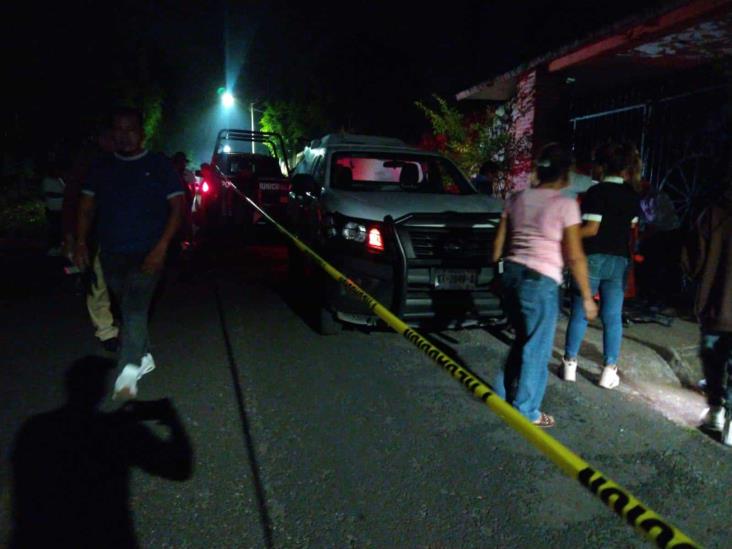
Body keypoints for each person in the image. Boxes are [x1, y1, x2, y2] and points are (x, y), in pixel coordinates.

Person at [74, 107, 185, 400]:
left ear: (142, 134)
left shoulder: (158, 165)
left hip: (148, 253)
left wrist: (162, 247)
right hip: (111, 253)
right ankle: (145, 354)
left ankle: (129, 371)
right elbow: (86, 206)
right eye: (118, 130)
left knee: (134, 309)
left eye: (130, 129)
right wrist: (80, 242)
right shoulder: (102, 167)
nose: (124, 136)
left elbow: (178, 207)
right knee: (127, 307)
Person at [492, 143, 597, 427]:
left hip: (511, 275)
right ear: (566, 175)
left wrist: (496, 274)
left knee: (523, 338)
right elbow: (575, 255)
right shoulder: (565, 205)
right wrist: (587, 297)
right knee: (537, 347)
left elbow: (498, 243)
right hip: (540, 281)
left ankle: (501, 392)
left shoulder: (516, 198)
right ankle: (527, 410)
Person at [561, 142, 641, 389]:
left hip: (593, 257)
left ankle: (570, 366)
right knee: (612, 317)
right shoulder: (632, 194)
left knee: (580, 312)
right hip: (618, 260)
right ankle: (608, 370)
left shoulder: (596, 193)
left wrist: (570, 234)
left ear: (602, 166)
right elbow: (630, 228)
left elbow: (592, 229)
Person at [682, 183, 732, 445]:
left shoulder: (713, 215)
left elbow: (693, 260)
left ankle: (716, 412)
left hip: (716, 307)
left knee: (713, 362)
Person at [62, 128, 120, 352]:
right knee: (97, 281)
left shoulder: (124, 162)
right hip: (92, 232)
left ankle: (115, 319)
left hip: (118, 232)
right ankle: (106, 330)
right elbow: (72, 201)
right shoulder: (87, 164)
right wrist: (72, 237)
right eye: (112, 136)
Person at [41, 159, 66, 256]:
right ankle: (51, 248)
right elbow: (49, 193)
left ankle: (57, 247)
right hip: (52, 209)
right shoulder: (47, 180)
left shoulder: (60, 180)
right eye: (57, 170)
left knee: (59, 229)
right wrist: (63, 195)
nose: (59, 172)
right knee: (53, 229)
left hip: (60, 209)